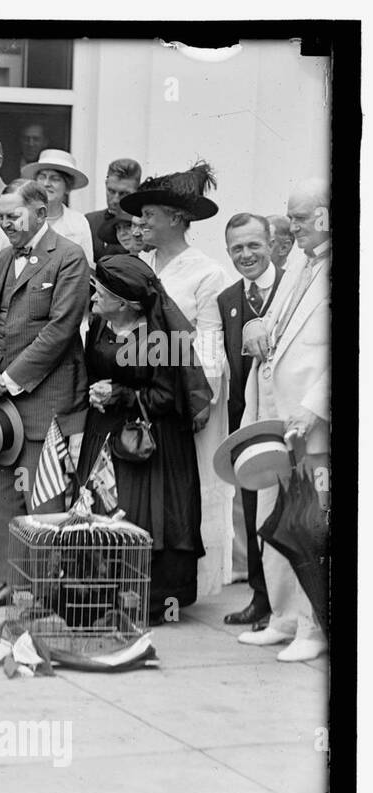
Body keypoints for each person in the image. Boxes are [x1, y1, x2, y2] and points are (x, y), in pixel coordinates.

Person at [0, 179, 91, 607]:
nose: (5, 225)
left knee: (41, 498)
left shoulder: (70, 257)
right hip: (1, 403)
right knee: (2, 495)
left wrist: (12, 377)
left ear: (40, 213)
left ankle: (41, 593)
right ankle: (9, 582)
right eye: (1, 217)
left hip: (44, 398)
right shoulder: (3, 258)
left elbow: (61, 329)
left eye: (13, 216)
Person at [121, 162, 233, 602]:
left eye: (149, 214)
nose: (140, 222)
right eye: (140, 214)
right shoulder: (139, 266)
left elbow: (209, 341)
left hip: (185, 397)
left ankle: (191, 582)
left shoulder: (207, 273)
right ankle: (142, 580)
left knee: (192, 484)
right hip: (142, 396)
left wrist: (200, 402)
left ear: (176, 218)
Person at [81, 255, 206, 620]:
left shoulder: (158, 338)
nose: (92, 299)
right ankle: (102, 597)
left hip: (150, 439)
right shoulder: (101, 324)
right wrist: (96, 392)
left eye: (99, 294)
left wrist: (121, 394)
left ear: (124, 303)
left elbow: (167, 397)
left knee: (144, 515)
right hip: (104, 430)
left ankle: (152, 603)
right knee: (101, 511)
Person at [238, 178, 330, 662]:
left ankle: (315, 630)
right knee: (272, 517)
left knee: (310, 526)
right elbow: (275, 321)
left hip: (312, 425)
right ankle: (283, 617)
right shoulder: (300, 262)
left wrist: (315, 407)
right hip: (274, 417)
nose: (288, 227)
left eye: (298, 218)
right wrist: (255, 327)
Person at [218, 212, 284, 630]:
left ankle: (288, 606)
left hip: (286, 422)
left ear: (271, 243)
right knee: (251, 511)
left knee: (288, 517)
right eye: (237, 248)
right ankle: (260, 599)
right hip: (247, 425)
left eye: (253, 245)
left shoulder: (292, 288)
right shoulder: (227, 300)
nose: (246, 255)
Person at [22, 148, 96, 269]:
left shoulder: (78, 222)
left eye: (55, 178)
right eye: (42, 177)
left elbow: (85, 267)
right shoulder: (23, 217)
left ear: (67, 186)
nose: (46, 183)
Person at [87, 158, 142, 262]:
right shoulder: (89, 222)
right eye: (111, 191)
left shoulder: (145, 225)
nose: (116, 199)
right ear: (106, 185)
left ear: (137, 191)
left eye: (124, 193)